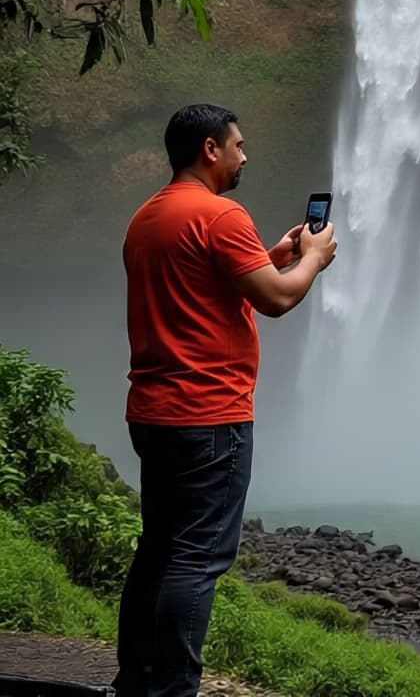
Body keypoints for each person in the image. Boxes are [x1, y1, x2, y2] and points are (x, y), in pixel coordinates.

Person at [114, 104, 337, 697]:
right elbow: (277, 301)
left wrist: (274, 255)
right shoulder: (220, 214)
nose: (245, 155)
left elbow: (202, 284)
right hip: (211, 415)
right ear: (210, 149)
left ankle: (134, 679)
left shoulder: (146, 218)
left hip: (153, 412)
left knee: (157, 551)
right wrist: (313, 259)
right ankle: (174, 691)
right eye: (238, 145)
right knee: (197, 560)